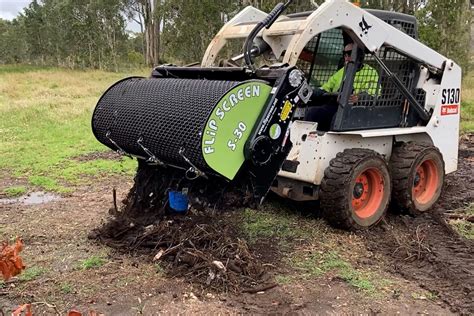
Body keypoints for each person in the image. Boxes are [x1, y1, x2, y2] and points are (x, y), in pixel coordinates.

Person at [304, 43, 379, 130]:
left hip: (354, 109)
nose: (346, 58)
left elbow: (374, 95)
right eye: (345, 55)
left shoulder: (370, 73)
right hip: (335, 105)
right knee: (313, 113)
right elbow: (326, 87)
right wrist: (311, 92)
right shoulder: (342, 71)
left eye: (350, 54)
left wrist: (359, 98)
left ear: (360, 56)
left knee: (337, 118)